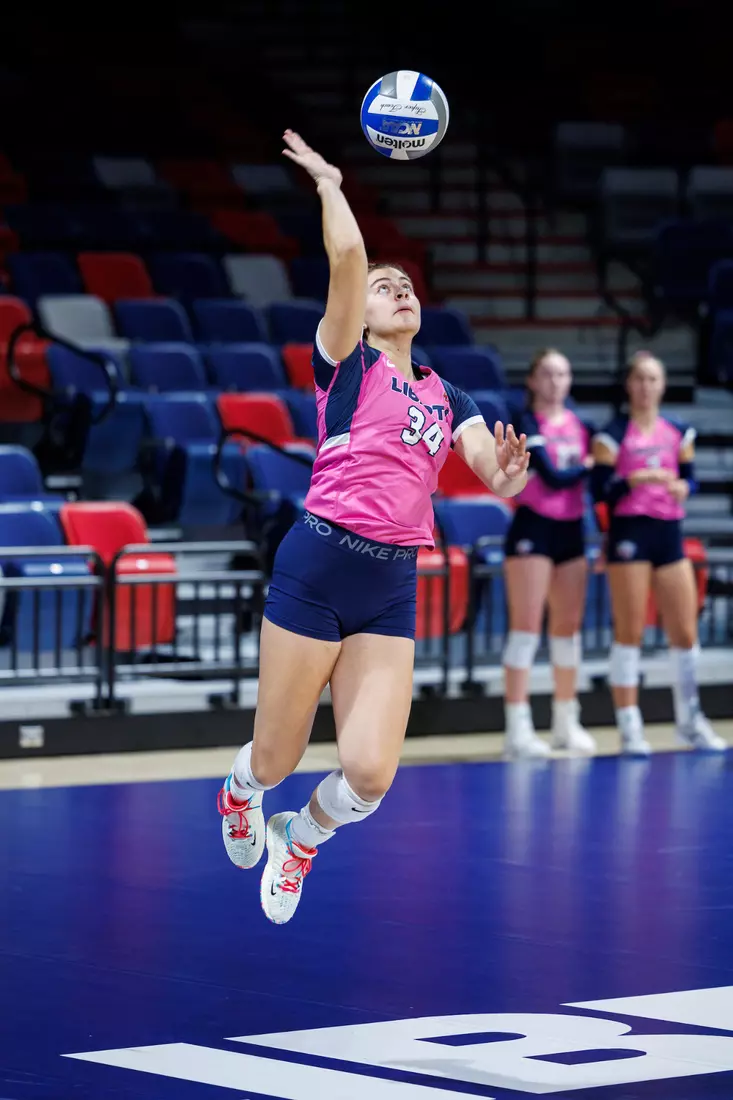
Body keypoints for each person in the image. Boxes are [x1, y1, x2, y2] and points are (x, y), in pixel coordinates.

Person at [216, 130, 530, 925]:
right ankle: (242, 790)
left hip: (390, 582)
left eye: (406, 286)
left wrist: (508, 474)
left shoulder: (451, 395)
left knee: (369, 774)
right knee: (279, 755)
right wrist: (327, 182)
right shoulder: (344, 361)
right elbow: (349, 260)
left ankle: (301, 839)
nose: (398, 291)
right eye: (386, 287)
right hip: (318, 564)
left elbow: (488, 473)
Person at [592, 351, 725, 755]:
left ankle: (690, 718)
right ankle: (629, 725)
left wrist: (685, 488)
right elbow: (599, 491)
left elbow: (689, 479)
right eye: (640, 379)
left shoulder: (678, 432)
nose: (646, 387)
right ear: (629, 385)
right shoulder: (612, 435)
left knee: (685, 631)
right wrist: (633, 479)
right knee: (630, 631)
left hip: (669, 532)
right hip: (630, 532)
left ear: (662, 386)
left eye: (653, 379)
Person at [501, 348, 597, 759]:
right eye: (548, 374)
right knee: (526, 628)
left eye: (563, 373)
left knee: (567, 630)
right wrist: (591, 466)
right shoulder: (526, 422)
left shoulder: (582, 427)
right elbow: (555, 477)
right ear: (533, 381)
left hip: (572, 531)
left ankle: (564, 720)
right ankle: (517, 727)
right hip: (533, 529)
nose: (556, 381)